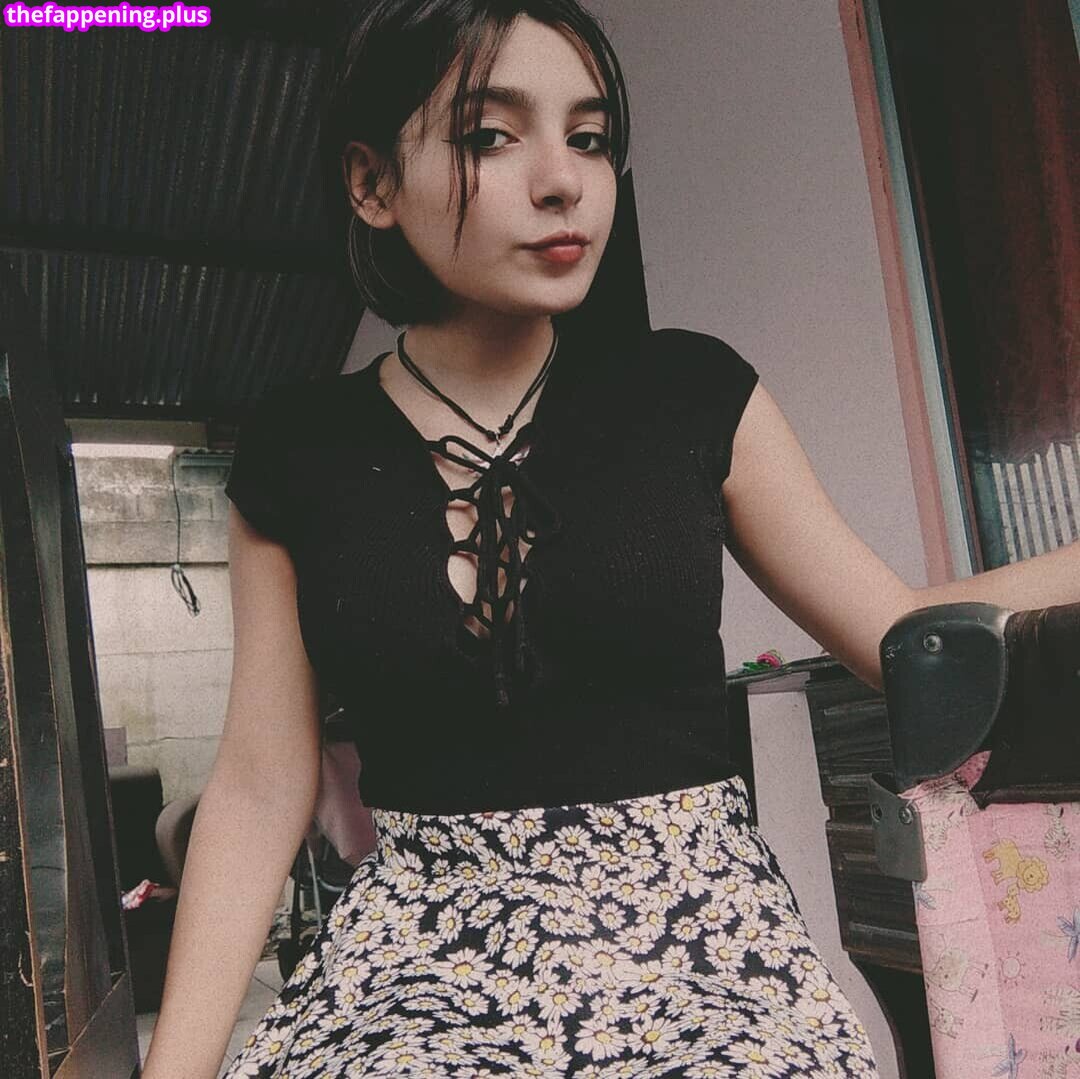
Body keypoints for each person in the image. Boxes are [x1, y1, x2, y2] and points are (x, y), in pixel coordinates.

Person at [141, 2, 1080, 1077]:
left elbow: (900, 633)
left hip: (698, 941)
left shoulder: (692, 392)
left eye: (588, 137)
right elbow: (261, 784)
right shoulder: (298, 451)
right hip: (415, 958)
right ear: (372, 182)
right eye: (491, 135)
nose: (564, 180)